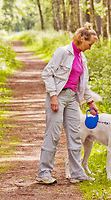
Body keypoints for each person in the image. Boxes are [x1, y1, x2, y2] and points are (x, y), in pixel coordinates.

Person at [36, 22, 99, 184]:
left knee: (75, 135)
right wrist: (53, 96)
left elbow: (83, 83)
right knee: (54, 134)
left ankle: (77, 173)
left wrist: (90, 101)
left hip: (72, 99)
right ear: (81, 38)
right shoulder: (63, 52)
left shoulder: (82, 58)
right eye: (89, 44)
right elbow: (47, 73)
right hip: (58, 97)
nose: (90, 48)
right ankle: (43, 173)